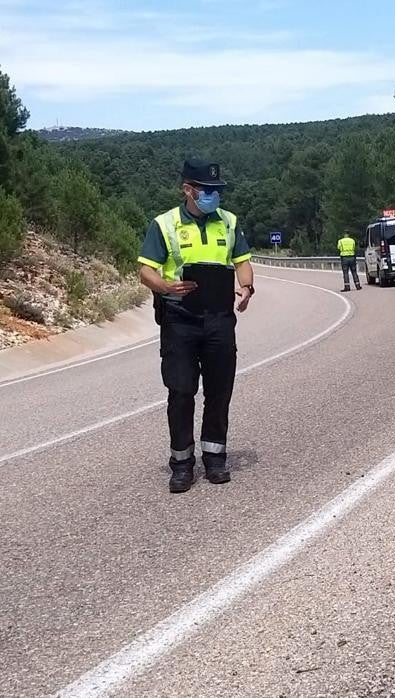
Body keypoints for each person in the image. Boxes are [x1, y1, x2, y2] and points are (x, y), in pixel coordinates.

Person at [136, 158, 255, 493]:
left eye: (217, 190)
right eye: (207, 190)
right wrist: (165, 287)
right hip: (180, 319)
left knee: (219, 390)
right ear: (188, 189)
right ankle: (182, 463)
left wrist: (246, 288)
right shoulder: (165, 224)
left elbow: (242, 261)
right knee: (181, 390)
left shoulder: (229, 222)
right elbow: (146, 270)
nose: (213, 195)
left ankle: (215, 457)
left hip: (219, 317)